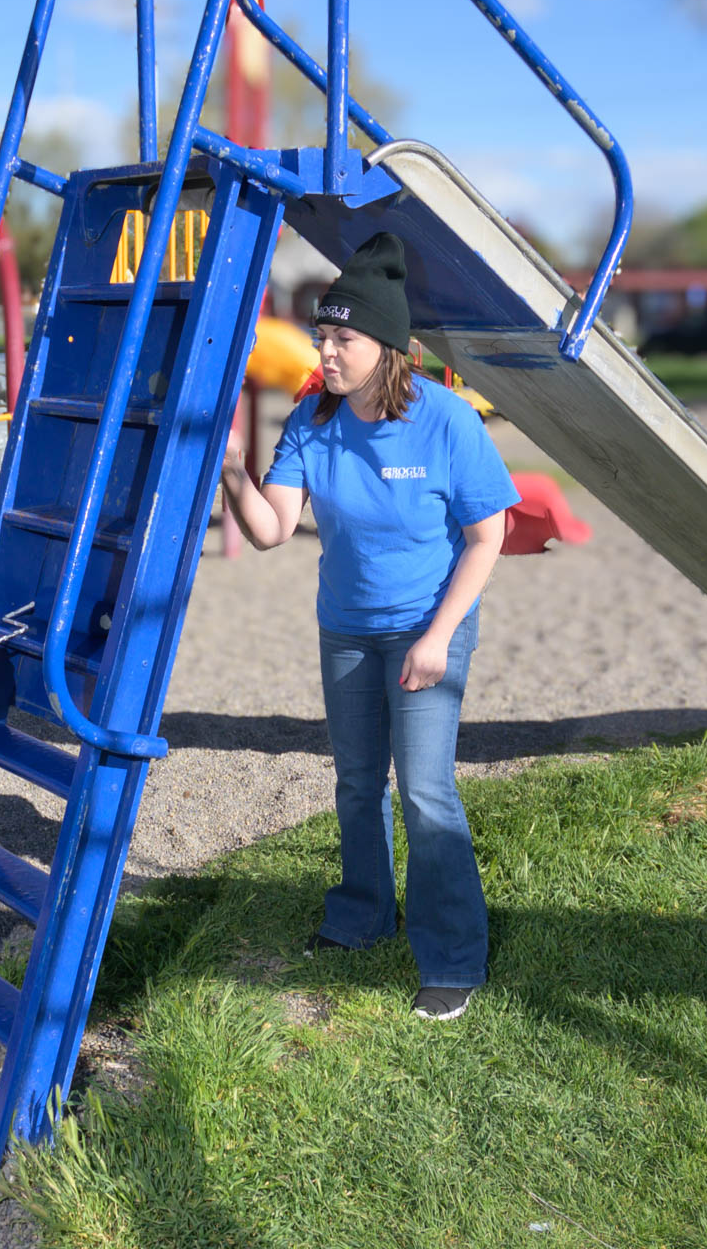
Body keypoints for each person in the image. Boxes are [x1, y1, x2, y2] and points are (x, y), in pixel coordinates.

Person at [220, 233, 519, 1022]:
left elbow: (488, 536)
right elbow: (272, 529)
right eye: (321, 335)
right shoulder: (313, 418)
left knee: (424, 790)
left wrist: (438, 638)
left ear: (384, 346)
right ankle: (362, 916)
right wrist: (233, 473)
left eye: (340, 339)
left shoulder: (446, 420)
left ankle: (453, 957)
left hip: (428, 625)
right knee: (357, 783)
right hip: (347, 629)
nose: (325, 350)